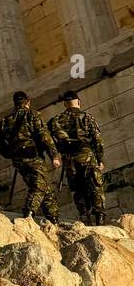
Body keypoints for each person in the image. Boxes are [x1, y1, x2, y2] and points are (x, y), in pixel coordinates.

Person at [0, 90, 61, 224]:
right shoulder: (32, 115)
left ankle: (53, 219)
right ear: (28, 102)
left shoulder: (6, 120)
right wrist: (54, 155)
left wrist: (8, 153)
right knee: (39, 187)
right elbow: (44, 136)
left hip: (18, 160)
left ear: (15, 104)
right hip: (32, 156)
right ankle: (28, 214)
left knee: (43, 187)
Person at [49, 90, 107, 225]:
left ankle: (84, 216)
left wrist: (55, 156)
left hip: (69, 158)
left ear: (64, 104)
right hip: (86, 155)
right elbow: (97, 139)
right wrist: (100, 159)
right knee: (94, 184)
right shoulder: (87, 117)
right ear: (79, 102)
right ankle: (100, 216)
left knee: (78, 188)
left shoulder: (55, 121)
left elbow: (49, 141)